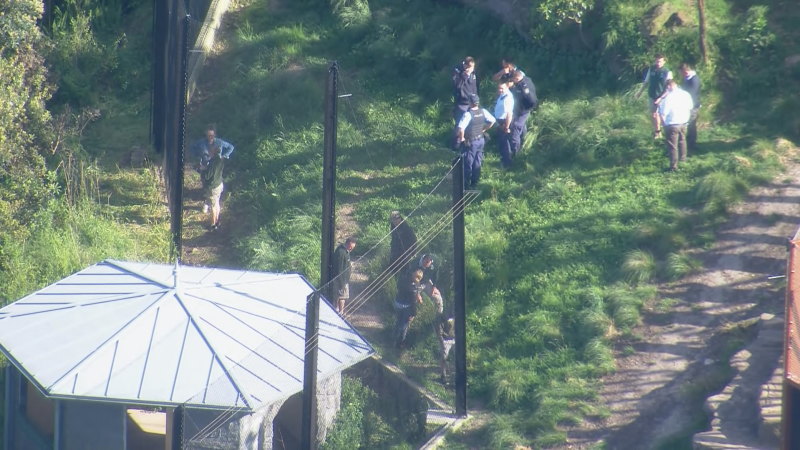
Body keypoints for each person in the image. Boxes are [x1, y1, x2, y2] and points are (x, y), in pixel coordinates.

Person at [190, 125, 234, 213]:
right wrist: (197, 157)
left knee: (214, 184)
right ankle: (207, 201)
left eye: (212, 135)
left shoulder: (220, 142)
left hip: (216, 167)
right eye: (208, 135)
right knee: (206, 183)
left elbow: (231, 147)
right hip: (205, 166)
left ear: (215, 135)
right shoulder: (201, 143)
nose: (210, 137)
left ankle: (210, 203)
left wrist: (224, 156)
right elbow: (192, 148)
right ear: (206, 135)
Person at [455, 94, 496, 189]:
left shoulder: (468, 114)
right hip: (481, 140)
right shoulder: (483, 111)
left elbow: (461, 129)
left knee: (468, 162)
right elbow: (492, 121)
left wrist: (461, 139)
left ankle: (466, 185)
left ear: (470, 102)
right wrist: (484, 129)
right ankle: (475, 183)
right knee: (477, 161)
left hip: (471, 142)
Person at [658, 79, 694, 172]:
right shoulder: (686, 94)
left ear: (668, 87)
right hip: (683, 122)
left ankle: (673, 166)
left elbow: (664, 113)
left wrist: (663, 124)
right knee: (682, 141)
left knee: (672, 146)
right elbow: (690, 107)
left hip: (672, 124)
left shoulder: (668, 98)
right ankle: (683, 160)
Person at [636, 54, 673, 139]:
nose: (658, 63)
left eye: (660, 61)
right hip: (652, 95)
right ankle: (657, 132)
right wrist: (639, 92)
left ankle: (666, 132)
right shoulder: (652, 69)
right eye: (657, 61)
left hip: (662, 96)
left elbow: (669, 87)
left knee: (662, 115)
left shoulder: (667, 72)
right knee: (653, 114)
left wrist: (661, 98)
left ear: (664, 61)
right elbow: (646, 82)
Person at [509, 69, 538, 157]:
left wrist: (528, 108)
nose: (512, 81)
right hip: (521, 110)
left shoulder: (523, 86)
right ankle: (524, 145)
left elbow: (531, 100)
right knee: (522, 127)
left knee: (515, 128)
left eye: (513, 79)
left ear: (517, 78)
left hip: (523, 111)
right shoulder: (527, 79)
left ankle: (516, 153)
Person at [394, 268, 424, 349]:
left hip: (397, 303)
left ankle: (393, 337)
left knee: (398, 321)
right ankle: (399, 343)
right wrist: (414, 314)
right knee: (404, 326)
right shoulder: (413, 289)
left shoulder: (404, 278)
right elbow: (413, 303)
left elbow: (398, 285)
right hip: (405, 307)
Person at [200, 144, 225, 230]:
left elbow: (207, 176)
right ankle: (217, 221)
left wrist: (202, 170)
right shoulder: (221, 159)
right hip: (219, 184)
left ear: (213, 151)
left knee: (213, 207)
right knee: (217, 203)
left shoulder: (212, 162)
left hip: (213, 187)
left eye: (210, 150)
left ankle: (213, 225)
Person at [331, 237, 356, 315]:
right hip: (341, 280)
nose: (351, 249)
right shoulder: (341, 252)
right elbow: (339, 269)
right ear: (348, 244)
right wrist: (342, 283)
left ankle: (339, 311)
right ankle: (340, 312)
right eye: (351, 248)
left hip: (344, 280)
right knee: (342, 297)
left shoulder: (345, 251)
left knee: (341, 296)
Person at [680, 63, 701, 152]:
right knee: (688, 124)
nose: (681, 75)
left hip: (693, 105)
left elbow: (691, 93)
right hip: (687, 104)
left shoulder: (694, 80)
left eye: (681, 73)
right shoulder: (686, 78)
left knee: (692, 124)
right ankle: (688, 141)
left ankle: (692, 143)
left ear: (685, 71)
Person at [389, 211, 418, 276]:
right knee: (392, 268)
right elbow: (393, 237)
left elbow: (414, 240)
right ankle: (393, 281)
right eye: (393, 220)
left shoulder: (406, 228)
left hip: (405, 251)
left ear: (400, 219)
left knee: (405, 270)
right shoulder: (393, 226)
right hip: (395, 250)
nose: (395, 222)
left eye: (396, 219)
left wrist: (413, 252)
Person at [493, 82, 515, 168]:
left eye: (502, 88)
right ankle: (504, 161)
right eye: (499, 88)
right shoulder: (503, 96)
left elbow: (509, 114)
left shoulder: (507, 98)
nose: (500, 90)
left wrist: (506, 126)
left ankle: (507, 163)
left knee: (505, 143)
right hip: (500, 121)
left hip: (504, 122)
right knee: (502, 142)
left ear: (507, 88)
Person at [451, 56, 478, 124]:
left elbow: (474, 87)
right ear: (465, 66)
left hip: (472, 103)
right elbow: (457, 86)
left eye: (473, 67)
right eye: (470, 67)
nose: (472, 69)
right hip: (462, 104)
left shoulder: (473, 73)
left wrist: (476, 100)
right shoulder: (457, 71)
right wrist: (465, 75)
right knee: (460, 124)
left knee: (472, 124)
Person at [435, 313, 456, 383]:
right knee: (444, 358)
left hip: (454, 340)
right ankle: (443, 376)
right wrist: (442, 342)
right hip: (445, 341)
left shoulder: (457, 316)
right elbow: (439, 332)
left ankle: (455, 376)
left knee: (457, 358)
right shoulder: (441, 318)